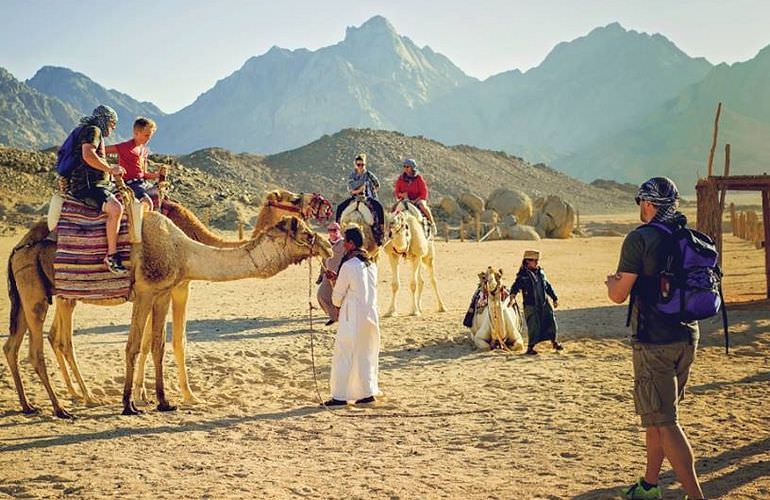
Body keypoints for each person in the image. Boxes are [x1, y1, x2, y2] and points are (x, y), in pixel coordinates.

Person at [606, 177, 704, 500]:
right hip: (688, 337)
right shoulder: (685, 236)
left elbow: (619, 294)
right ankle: (648, 486)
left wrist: (611, 283)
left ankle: (695, 495)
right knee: (657, 417)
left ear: (649, 204)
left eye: (640, 202)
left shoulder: (640, 239)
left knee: (665, 421)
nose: (640, 208)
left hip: (654, 341)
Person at [323, 226, 380, 408]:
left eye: (346, 241)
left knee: (344, 353)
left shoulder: (348, 265)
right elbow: (358, 286)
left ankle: (339, 397)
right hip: (370, 314)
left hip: (352, 316)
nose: (344, 245)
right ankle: (366, 393)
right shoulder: (372, 265)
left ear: (351, 243)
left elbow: (337, 298)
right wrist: (338, 278)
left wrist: (334, 282)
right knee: (366, 353)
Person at [66, 105, 128, 274]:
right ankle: (112, 256)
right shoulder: (93, 130)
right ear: (104, 120)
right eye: (112, 122)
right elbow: (88, 155)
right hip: (88, 186)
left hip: (98, 184)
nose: (113, 127)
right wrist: (110, 169)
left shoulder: (92, 131)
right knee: (116, 209)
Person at [507, 250, 563, 355]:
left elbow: (547, 286)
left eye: (537, 260)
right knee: (533, 325)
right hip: (531, 304)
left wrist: (554, 298)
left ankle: (554, 342)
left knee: (550, 321)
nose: (536, 262)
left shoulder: (541, 272)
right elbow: (516, 286)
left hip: (544, 303)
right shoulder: (523, 275)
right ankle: (530, 347)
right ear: (527, 261)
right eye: (534, 260)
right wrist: (512, 296)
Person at [106, 117, 158, 211]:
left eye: (150, 136)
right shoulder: (125, 147)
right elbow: (103, 150)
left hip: (142, 183)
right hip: (130, 184)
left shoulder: (144, 150)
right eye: (146, 135)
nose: (149, 138)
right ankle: (140, 225)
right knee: (147, 202)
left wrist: (157, 175)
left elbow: (144, 174)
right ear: (136, 133)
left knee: (160, 196)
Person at [335, 153, 385, 245]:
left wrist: (371, 190)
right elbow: (351, 189)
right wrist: (360, 189)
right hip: (355, 197)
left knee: (379, 208)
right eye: (359, 164)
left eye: (363, 164)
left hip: (367, 197)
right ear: (355, 164)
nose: (361, 166)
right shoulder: (352, 175)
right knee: (340, 207)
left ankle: (380, 233)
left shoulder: (369, 175)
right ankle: (337, 231)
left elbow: (377, 185)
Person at [393, 158, 436, 233]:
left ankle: (432, 224)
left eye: (407, 167)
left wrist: (415, 201)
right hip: (405, 200)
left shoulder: (418, 178)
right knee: (394, 210)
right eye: (404, 166)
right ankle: (391, 228)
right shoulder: (401, 178)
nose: (405, 168)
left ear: (412, 168)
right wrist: (402, 195)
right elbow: (397, 192)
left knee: (423, 207)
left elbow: (424, 193)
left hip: (418, 200)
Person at [316, 222, 346, 326]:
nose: (332, 233)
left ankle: (343, 317)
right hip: (327, 276)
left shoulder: (344, 244)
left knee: (341, 299)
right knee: (321, 295)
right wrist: (321, 275)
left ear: (339, 231)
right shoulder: (326, 243)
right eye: (330, 230)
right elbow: (324, 261)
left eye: (334, 230)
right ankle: (334, 316)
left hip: (341, 277)